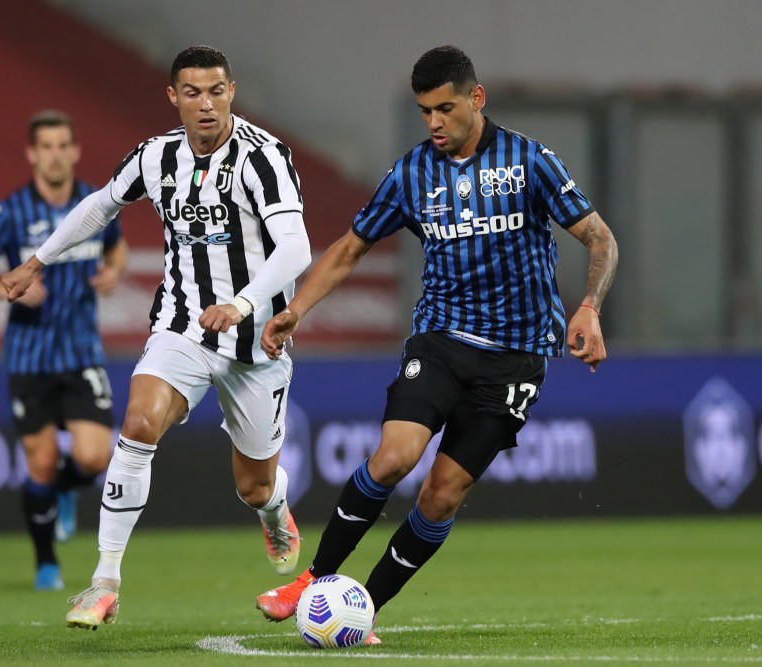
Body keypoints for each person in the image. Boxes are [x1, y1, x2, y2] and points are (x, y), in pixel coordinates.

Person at [255, 45, 619, 644]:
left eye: (445, 108)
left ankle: (361, 608)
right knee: (395, 455)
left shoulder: (529, 161)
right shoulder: (411, 174)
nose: (435, 123)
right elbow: (349, 248)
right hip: (442, 341)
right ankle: (313, 580)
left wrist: (589, 308)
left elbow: (600, 239)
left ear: (476, 98)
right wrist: (295, 309)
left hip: (516, 359)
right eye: (425, 111)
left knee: (443, 494)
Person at [2, 45, 311, 630]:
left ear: (232, 92)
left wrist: (244, 304)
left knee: (253, 486)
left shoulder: (264, 157)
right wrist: (38, 260)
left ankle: (274, 509)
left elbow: (296, 247)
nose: (205, 104)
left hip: (255, 342)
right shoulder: (155, 156)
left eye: (216, 91)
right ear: (173, 97)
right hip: (183, 324)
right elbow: (99, 206)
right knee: (139, 422)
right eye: (192, 92)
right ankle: (104, 583)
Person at [0, 110, 128, 591]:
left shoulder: (95, 204)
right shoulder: (9, 213)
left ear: (75, 151)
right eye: (45, 146)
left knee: (95, 458)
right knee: (42, 461)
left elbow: (117, 247)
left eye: (62, 145)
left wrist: (113, 271)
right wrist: (6, 288)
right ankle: (46, 563)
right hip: (28, 356)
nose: (55, 154)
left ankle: (64, 494)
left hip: (82, 352)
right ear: (32, 154)